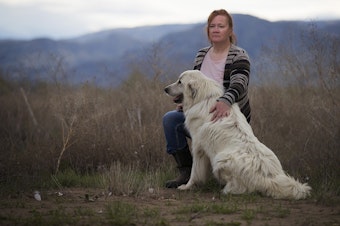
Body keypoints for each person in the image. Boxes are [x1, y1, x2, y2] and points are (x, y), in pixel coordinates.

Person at [162, 9, 251, 188]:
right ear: (208, 30)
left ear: (230, 30)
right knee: (171, 119)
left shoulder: (238, 55)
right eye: (212, 26)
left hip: (226, 119)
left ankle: (227, 175)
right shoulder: (202, 55)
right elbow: (193, 89)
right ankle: (187, 174)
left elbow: (239, 85)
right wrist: (186, 103)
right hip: (201, 116)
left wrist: (225, 101)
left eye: (221, 26)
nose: (216, 29)